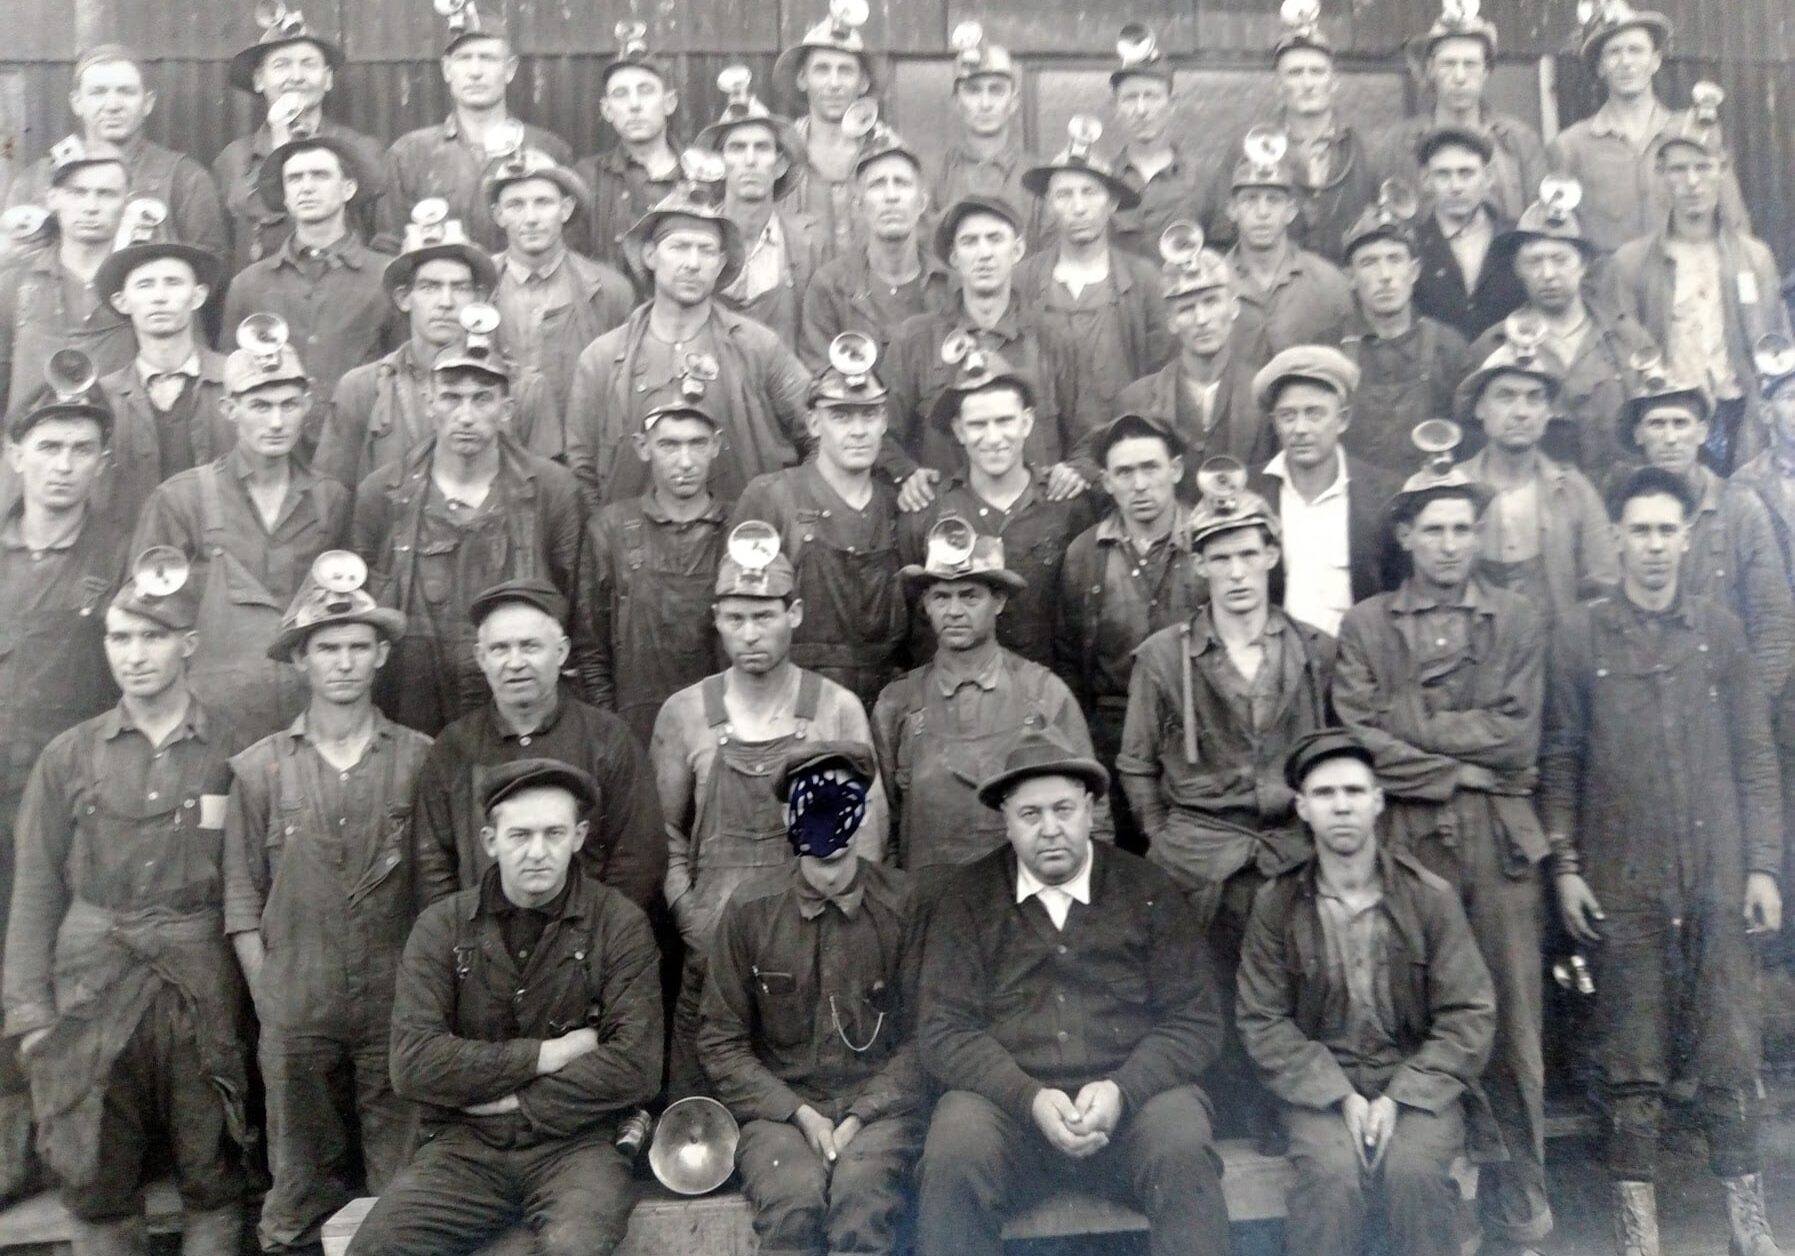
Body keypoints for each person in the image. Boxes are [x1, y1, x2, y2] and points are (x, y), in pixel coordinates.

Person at [1542, 466, 1784, 1256]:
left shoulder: (1719, 631)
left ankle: (1748, 1225)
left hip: (1713, 876)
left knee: (1727, 1052)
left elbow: (1754, 758)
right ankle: (1636, 1233)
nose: (1651, 545)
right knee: (1632, 1060)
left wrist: (1761, 868)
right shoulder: (1580, 636)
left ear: (1686, 538)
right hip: (1623, 877)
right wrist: (1566, 865)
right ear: (1616, 539)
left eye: (1664, 530)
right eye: (1637, 530)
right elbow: (1561, 760)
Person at [1332, 427, 1552, 1256]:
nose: (1450, 544)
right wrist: (1457, 762)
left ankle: (1520, 1192)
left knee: (1510, 1018)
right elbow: (1359, 735)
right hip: (1407, 839)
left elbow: (1516, 738)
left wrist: (1414, 731)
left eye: (1463, 527)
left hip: (1499, 844)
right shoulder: (1366, 626)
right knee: (1419, 1015)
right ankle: (1444, 1192)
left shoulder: (1515, 618)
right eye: (1433, 529)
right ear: (1404, 536)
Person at [3, 554, 250, 1256]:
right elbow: (35, 891)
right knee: (97, 1181)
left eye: (153, 637)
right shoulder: (69, 756)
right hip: (91, 991)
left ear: (188, 646)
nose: (135, 656)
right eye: (121, 638)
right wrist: (31, 1018)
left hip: (200, 993)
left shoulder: (233, 752)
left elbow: (255, 887)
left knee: (213, 1175)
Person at [915, 726, 1230, 1256]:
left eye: (1064, 809)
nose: (1050, 829)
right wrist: (1028, 1098)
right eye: (1030, 815)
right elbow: (945, 1029)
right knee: (954, 1149)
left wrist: (1122, 1090)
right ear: (1007, 823)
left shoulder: (1147, 889)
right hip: (1013, 1121)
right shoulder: (967, 900)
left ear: (1091, 811)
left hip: (1131, 1115)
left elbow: (1195, 1022)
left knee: (1182, 1140)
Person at [345, 760, 662, 1256]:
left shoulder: (618, 925)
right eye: (520, 835)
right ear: (490, 841)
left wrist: (513, 1101)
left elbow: (635, 1066)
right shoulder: (442, 927)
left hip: (577, 1146)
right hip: (465, 1148)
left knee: (573, 1245)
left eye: (554, 833)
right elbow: (413, 1064)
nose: (538, 852)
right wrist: (547, 1055)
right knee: (378, 1247)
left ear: (579, 836)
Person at [1117, 462, 1335, 1144]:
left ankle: (1286, 1114)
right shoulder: (1161, 656)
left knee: (1289, 990)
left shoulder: (1313, 650)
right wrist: (1162, 840)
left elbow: (1334, 751)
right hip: (1197, 855)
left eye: (1249, 555)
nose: (1237, 573)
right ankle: (1213, 1120)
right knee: (1199, 996)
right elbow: (1135, 761)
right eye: (1220, 558)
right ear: (1198, 565)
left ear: (1272, 556)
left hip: (1286, 848)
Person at [223, 553, 429, 1256]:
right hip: (297, 1015)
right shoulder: (257, 770)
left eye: (356, 647)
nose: (342, 662)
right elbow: (241, 900)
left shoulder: (420, 760)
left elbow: (440, 894)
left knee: (402, 1195)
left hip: (396, 1010)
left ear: (379, 657)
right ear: (301, 661)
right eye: (326, 648)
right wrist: (272, 998)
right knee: (299, 1196)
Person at [1236, 729, 1497, 1256]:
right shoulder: (1278, 902)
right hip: (1318, 1088)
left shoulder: (1429, 897)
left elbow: (1469, 1014)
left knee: (1415, 1174)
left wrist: (1403, 1095)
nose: (1342, 807)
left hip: (1416, 1079)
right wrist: (1339, 1096)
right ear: (1303, 808)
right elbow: (1261, 1019)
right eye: (1325, 795)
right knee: (1331, 1178)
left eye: (1354, 792)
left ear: (1377, 802)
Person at [651, 530, 888, 1093]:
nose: (750, 633)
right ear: (716, 619)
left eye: (764, 616)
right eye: (735, 618)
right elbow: (660, 833)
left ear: (795, 613)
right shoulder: (685, 713)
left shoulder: (835, 709)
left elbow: (870, 838)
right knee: (703, 1101)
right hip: (712, 942)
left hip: (811, 939)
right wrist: (690, 912)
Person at [698, 742, 921, 1256]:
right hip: (781, 1114)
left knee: (863, 1205)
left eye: (842, 801)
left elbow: (926, 1037)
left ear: (862, 811)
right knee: (792, 1205)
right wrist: (799, 1113)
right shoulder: (751, 911)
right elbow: (720, 1040)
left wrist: (861, 1114)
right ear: (788, 815)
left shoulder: (905, 907)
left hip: (880, 1112)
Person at [0, 373, 130, 1205]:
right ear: (15, 456)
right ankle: (9, 1142)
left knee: (62, 959)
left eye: (82, 449)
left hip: (75, 797)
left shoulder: (120, 555)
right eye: (48, 447)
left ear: (103, 461)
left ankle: (76, 1141)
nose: (63, 465)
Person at [353, 305, 591, 736]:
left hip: (516, 700)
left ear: (507, 408)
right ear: (429, 403)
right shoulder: (382, 493)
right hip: (411, 701)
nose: (466, 415)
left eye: (482, 398)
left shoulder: (553, 491)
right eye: (451, 397)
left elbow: (578, 611)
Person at [132, 318, 351, 742]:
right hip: (206, 722)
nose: (276, 421)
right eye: (260, 406)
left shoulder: (331, 500)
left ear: (307, 406)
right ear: (230, 409)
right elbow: (146, 622)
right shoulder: (181, 499)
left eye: (289, 405)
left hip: (305, 717)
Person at [565, 153, 811, 510]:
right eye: (679, 247)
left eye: (706, 250)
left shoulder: (757, 347)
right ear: (650, 255)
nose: (693, 263)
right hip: (636, 550)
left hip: (736, 545)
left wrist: (786, 517)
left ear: (722, 263)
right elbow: (582, 469)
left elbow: (818, 429)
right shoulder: (603, 358)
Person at [411, 578, 666, 913]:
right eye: (500, 649)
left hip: (586, 946)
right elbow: (432, 864)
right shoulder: (453, 746)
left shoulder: (608, 738)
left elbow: (638, 857)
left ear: (561, 652)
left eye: (530, 646)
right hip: (481, 949)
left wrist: (595, 936)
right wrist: (463, 939)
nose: (515, 663)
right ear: (480, 657)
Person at [875, 521, 1101, 877]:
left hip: (1022, 901)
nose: (953, 611)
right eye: (940, 597)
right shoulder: (898, 703)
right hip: (928, 903)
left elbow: (1092, 817)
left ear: (998, 601)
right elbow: (880, 823)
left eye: (969, 596)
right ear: (926, 606)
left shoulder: (1043, 692)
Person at [880, 195, 1095, 509]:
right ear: (954, 258)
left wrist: (1076, 469)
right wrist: (906, 474)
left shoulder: (1055, 338)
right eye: (970, 242)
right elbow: (882, 432)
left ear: (1017, 250)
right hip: (946, 522)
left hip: (1037, 521)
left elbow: (1092, 433)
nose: (984, 254)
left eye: (995, 239)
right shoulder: (915, 339)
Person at [1607, 114, 1793, 474]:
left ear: (1722, 170)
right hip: (1674, 417)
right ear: (1660, 174)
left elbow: (1777, 344)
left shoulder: (1755, 257)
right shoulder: (1632, 262)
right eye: (1678, 169)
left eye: (1703, 167)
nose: (1692, 182)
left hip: (1740, 411)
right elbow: (1625, 349)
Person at [1054, 413, 1206, 850]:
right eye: (1124, 472)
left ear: (1175, 470)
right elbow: (1068, 658)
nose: (1139, 485)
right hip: (1112, 733)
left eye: (1150, 468)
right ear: (1106, 481)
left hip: (1195, 727)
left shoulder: (1210, 539)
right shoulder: (1085, 553)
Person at [731, 338, 905, 711]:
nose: (858, 430)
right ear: (813, 422)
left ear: (884, 421)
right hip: (794, 699)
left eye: (869, 415)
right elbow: (735, 615)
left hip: (885, 698)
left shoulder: (897, 505)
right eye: (841, 416)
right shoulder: (772, 497)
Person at [899, 346, 1094, 670]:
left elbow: (1084, 620)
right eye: (978, 424)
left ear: (1027, 422)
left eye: (1004, 421)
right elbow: (913, 627)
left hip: (1051, 695)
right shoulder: (927, 510)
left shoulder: (1067, 505)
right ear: (959, 431)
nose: (993, 437)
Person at [1620, 358, 1795, 693]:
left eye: (1681, 423)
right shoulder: (1619, 510)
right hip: (1643, 691)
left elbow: (1773, 620)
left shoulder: (1740, 507)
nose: (1670, 438)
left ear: (1702, 432)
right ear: (1638, 434)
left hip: (1724, 692)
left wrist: (1755, 703)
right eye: (1657, 424)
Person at [1468, 177, 1659, 472]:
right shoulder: (1494, 346)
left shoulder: (1627, 340)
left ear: (1583, 266)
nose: (1548, 273)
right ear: (1518, 269)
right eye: (1534, 262)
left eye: (1560, 259)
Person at [314, 203, 509, 489]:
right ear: (404, 298)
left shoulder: (516, 385)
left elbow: (541, 493)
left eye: (460, 288)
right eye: (430, 287)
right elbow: (331, 495)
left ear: (479, 298)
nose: (445, 302)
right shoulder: (362, 389)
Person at [585, 364, 732, 746]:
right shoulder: (611, 529)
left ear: (716, 446)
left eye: (697, 443)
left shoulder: (739, 527)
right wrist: (610, 730)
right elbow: (590, 649)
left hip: (722, 726)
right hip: (634, 727)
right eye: (669, 444)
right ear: (642, 446)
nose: (685, 461)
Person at [1548, 5, 1750, 254]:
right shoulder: (1571, 146)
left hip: (1684, 284)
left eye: (1636, 50)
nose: (1626, 62)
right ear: (1600, 67)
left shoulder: (1694, 133)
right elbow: (1559, 239)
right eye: (1614, 53)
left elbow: (1735, 222)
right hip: (1610, 289)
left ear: (1655, 61)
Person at [221, 133, 400, 413]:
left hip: (360, 442)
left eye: (320, 176)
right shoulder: (248, 285)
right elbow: (232, 379)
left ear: (348, 188)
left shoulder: (386, 276)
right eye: (294, 179)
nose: (306, 187)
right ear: (285, 197)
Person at [1454, 327, 1618, 623]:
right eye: (1506, 396)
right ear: (1480, 408)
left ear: (1547, 413)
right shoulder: (1453, 489)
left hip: (1555, 655)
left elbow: (1604, 586)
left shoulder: (1574, 491)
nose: (1521, 412)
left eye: (1534, 398)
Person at [1204, 1, 1384, 267]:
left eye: (1317, 72)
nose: (1308, 84)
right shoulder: (1247, 150)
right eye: (1295, 73)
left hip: (1345, 290)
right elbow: (1221, 232)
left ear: (1334, 82)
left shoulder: (1361, 151)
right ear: (1278, 85)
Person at [6, 46, 226, 260]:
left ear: (147, 103)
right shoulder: (35, 180)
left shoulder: (186, 179)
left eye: (126, 92)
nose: (112, 105)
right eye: (98, 92)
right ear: (77, 102)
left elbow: (211, 267)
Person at [384, 7, 574, 255]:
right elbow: (389, 246)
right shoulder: (409, 154)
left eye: (487, 58)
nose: (475, 72)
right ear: (447, 70)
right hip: (445, 290)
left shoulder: (549, 150)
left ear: (509, 69)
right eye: (464, 59)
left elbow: (570, 244)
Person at [1015, 116, 1170, 416]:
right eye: (1064, 195)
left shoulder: (1143, 279)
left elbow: (1161, 374)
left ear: (1111, 203)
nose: (1079, 207)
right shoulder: (1023, 279)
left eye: (1089, 192)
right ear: (1048, 205)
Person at [213, 11, 387, 271]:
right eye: (281, 65)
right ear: (259, 80)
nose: (296, 76)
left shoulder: (362, 151)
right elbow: (222, 253)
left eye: (309, 64)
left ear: (328, 79)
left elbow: (382, 242)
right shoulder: (233, 160)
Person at [90, 210, 230, 532]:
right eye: (145, 285)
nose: (159, 297)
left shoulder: (236, 381)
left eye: (173, 282)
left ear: (198, 296)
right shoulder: (102, 397)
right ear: (122, 301)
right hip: (130, 557)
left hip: (220, 555)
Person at [1247, 346, 1399, 637]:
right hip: (1274, 664)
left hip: (1355, 668)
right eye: (1287, 416)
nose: (1300, 428)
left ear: (1342, 419)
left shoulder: (1383, 495)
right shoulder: (1251, 493)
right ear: (1274, 423)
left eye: (1314, 414)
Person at [486, 147, 634, 437]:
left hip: (580, 449)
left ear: (565, 210)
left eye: (543, 203)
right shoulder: (476, 285)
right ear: (498, 215)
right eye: (515, 205)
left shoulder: (610, 290)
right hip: (496, 448)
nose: (530, 218)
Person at [1114, 228, 1270, 493]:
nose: (1201, 319)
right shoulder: (1136, 401)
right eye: (1187, 308)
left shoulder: (1265, 393)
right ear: (1171, 322)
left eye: (1211, 302)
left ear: (1233, 308)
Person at [797, 113, 954, 371]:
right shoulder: (830, 287)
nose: (891, 196)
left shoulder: (947, 285)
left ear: (922, 202)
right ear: (858, 205)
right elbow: (820, 376)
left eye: (902, 183)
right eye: (878, 185)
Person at [1338, 182, 1474, 477]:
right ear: (1350, 277)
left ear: (1413, 272)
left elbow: (1470, 444)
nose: (1385, 276)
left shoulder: (1448, 348)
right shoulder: (1330, 350)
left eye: (1395, 259)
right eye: (1369, 263)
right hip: (1356, 505)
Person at [0, 141, 135, 415]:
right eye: (77, 192)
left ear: (126, 202)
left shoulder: (144, 281)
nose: (91, 206)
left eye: (106, 194)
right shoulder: (15, 282)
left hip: (120, 447)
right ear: (52, 198)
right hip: (33, 447)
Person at [1380, 2, 1547, 220]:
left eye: (1470, 64)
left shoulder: (1519, 141)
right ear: (1431, 69)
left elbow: (1537, 222)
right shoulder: (1400, 144)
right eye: (1449, 64)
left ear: (1486, 71)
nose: (1459, 77)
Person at [699, 68, 824, 350]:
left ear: (779, 165)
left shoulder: (807, 244)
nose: (751, 160)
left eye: (762, 148)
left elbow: (817, 343)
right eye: (737, 148)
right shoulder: (696, 238)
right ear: (717, 164)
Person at [1221, 131, 1355, 374]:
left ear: (1291, 211)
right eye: (1250, 200)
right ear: (1232, 210)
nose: (1262, 212)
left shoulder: (1327, 282)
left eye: (1273, 200)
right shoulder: (1215, 283)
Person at [772, 0, 879, 261]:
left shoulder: (885, 150)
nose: (834, 84)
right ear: (802, 79)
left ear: (863, 82)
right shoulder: (780, 151)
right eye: (822, 70)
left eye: (845, 71)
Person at [579, 23, 683, 280]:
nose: (634, 105)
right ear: (607, 110)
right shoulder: (586, 177)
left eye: (646, 91)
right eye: (621, 94)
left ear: (669, 103)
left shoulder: (701, 174)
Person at [929, 24, 1045, 249]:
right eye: (974, 90)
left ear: (1014, 102)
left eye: (996, 90)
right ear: (956, 101)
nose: (985, 104)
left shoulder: (1037, 178)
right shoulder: (934, 176)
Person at [1411, 125, 1525, 344]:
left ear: (1488, 177)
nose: (1456, 186)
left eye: (1466, 173)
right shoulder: (1412, 245)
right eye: (1443, 174)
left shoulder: (1516, 240)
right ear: (1426, 180)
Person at [1105, 24, 1206, 262]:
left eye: (1151, 96)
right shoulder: (1104, 179)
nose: (1141, 110)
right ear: (1115, 108)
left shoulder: (1201, 178)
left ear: (1172, 105)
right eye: (1130, 98)